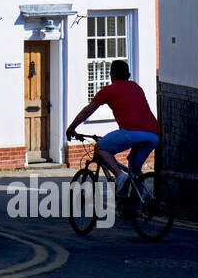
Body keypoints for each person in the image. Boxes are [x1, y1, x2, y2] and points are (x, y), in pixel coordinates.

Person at [65, 60, 160, 205]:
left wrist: (71, 128)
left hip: (131, 132)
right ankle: (135, 206)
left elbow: (87, 111)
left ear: (111, 75)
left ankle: (119, 177)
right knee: (135, 170)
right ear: (128, 75)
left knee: (100, 148)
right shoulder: (136, 87)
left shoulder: (108, 91)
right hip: (153, 134)